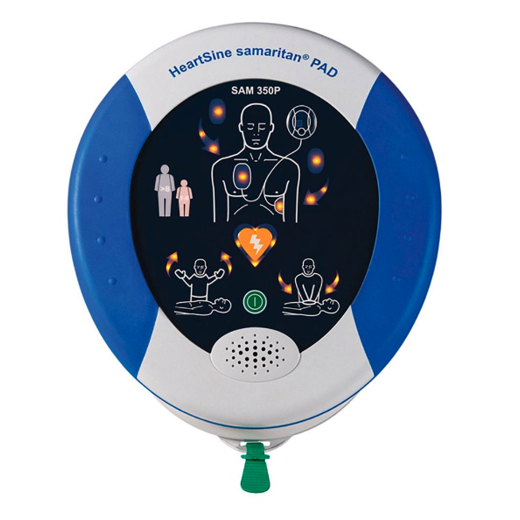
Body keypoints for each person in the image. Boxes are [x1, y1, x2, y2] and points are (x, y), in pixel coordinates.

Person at [211, 103, 300, 223]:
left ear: (270, 128)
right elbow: (219, 220)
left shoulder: (288, 167)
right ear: (241, 128)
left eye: (262, 127)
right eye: (250, 127)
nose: (256, 133)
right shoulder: (222, 167)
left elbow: (291, 220)